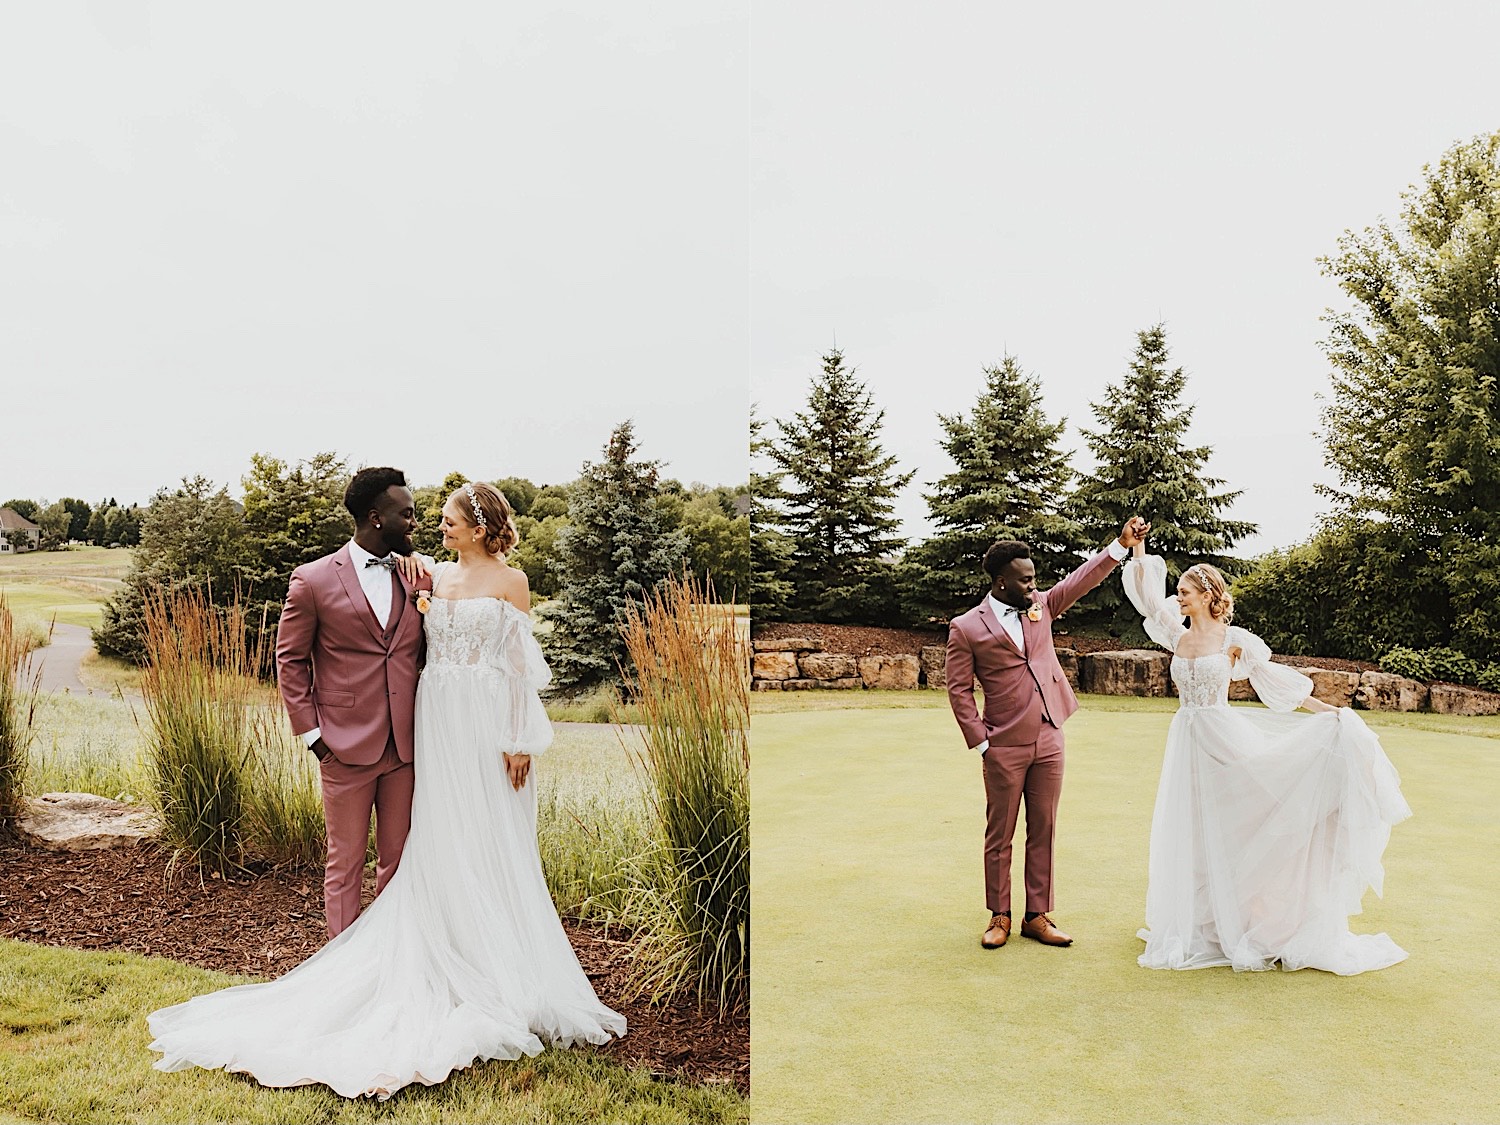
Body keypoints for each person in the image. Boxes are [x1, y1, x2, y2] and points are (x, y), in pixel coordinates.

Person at [148, 481, 625, 1098]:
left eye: (448, 519)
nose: (434, 526)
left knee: (487, 841)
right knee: (431, 841)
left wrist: (518, 738)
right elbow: (298, 658)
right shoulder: (424, 575)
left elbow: (518, 668)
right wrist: (312, 734)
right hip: (434, 725)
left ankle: (496, 966)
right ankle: (362, 964)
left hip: (481, 727)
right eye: (423, 516)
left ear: (479, 528)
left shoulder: (507, 583)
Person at [1121, 544, 1411, 974]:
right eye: (1177, 591)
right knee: (1197, 828)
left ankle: (1256, 920)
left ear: (1207, 595)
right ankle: (1209, 922)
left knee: (1244, 821)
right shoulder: (1175, 636)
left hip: (1224, 738)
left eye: (1184, 591)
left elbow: (1274, 683)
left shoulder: (1233, 640)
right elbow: (1146, 596)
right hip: (1187, 742)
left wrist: (1330, 714)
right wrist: (1139, 549)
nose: (1177, 598)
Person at [945, 516, 1150, 951]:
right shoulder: (966, 627)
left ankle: (1036, 915)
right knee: (1000, 832)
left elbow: (1080, 581)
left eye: (1035, 578)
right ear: (1001, 582)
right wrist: (981, 741)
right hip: (1003, 742)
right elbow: (959, 690)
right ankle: (998, 915)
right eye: (1024, 580)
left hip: (1050, 735)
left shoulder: (1042, 606)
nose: (1033, 587)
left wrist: (1119, 545)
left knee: (1044, 827)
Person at [273, 466, 425, 938]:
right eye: (407, 515)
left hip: (405, 747)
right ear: (376, 517)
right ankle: (340, 967)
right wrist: (314, 738)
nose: (414, 524)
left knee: (399, 860)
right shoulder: (313, 580)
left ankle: (392, 960)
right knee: (346, 863)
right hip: (342, 746)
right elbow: (290, 660)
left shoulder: (416, 577)